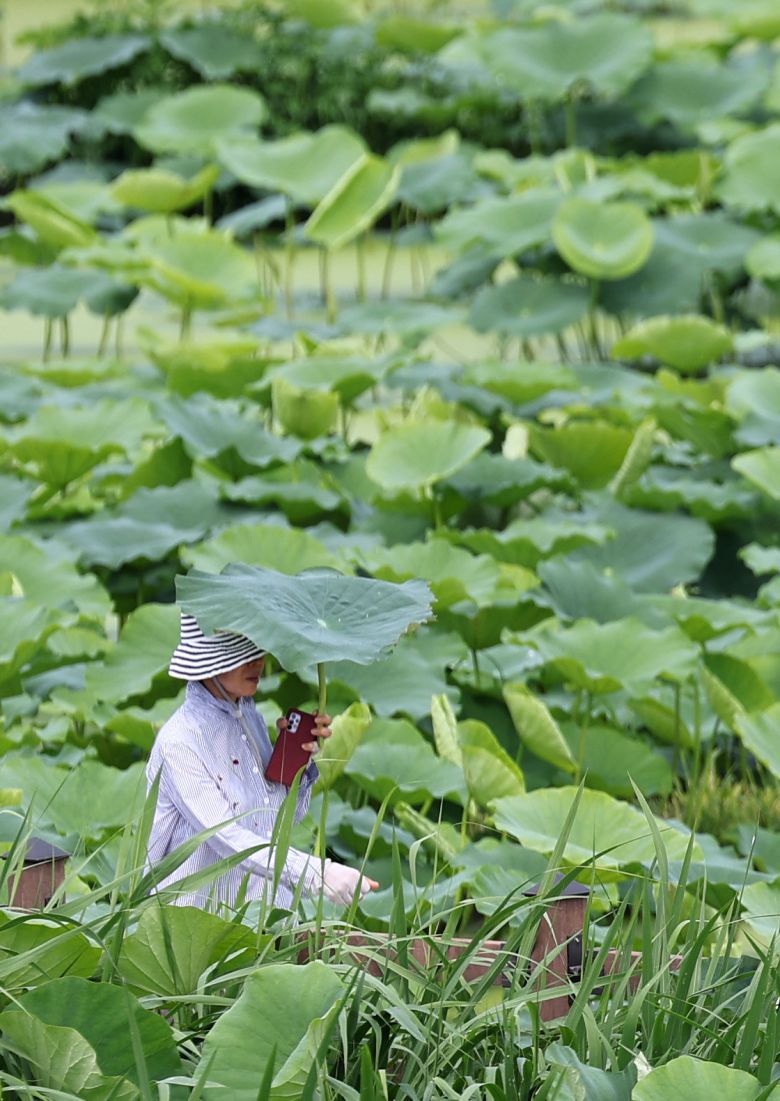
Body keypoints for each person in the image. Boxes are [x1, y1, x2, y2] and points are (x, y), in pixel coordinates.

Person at [145, 612, 377, 911]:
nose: (258, 661)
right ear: (208, 659)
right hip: (194, 928)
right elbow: (226, 838)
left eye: (258, 647)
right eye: (241, 651)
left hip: (265, 920)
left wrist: (299, 761)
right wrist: (320, 874)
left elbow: (276, 822)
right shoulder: (179, 741)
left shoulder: (249, 717)